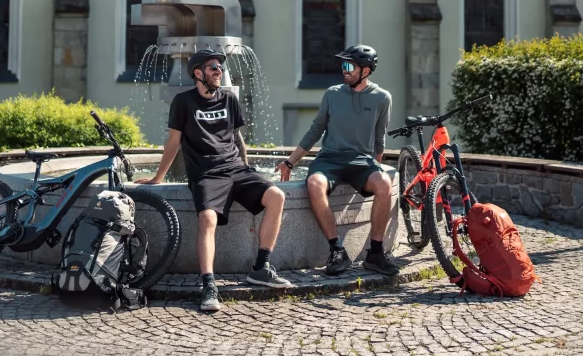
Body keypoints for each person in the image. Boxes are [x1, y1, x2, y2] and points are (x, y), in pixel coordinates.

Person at [135, 48, 291, 312]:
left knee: (277, 196)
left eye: (220, 66)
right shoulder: (183, 102)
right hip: (206, 173)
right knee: (207, 218)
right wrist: (157, 178)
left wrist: (248, 170)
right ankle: (209, 285)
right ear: (198, 73)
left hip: (235, 168)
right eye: (213, 67)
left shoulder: (229, 98)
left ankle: (261, 268)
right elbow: (173, 142)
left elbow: (238, 139)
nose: (219, 71)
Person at [275, 45, 399, 276]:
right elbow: (315, 130)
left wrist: (377, 167)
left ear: (366, 70)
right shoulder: (332, 94)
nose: (344, 70)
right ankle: (337, 251)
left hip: (361, 161)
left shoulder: (383, 98)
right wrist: (290, 162)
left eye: (349, 66)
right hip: (329, 159)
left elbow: (379, 137)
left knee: (383, 184)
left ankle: (376, 254)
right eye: (343, 65)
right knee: (314, 184)